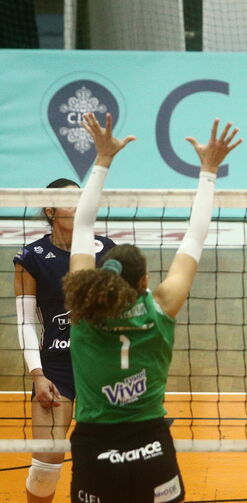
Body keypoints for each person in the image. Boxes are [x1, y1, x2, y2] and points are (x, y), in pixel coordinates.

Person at [63, 112, 241, 502]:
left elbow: (81, 226)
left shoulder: (82, 308)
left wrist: (103, 159)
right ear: (144, 281)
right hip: (150, 443)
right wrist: (209, 170)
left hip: (96, 445)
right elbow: (195, 235)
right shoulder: (161, 306)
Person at [13, 179, 116, 503]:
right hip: (56, 369)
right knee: (46, 464)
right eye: (69, 200)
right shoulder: (32, 257)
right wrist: (37, 374)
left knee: (111, 463)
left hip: (100, 369)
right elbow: (26, 320)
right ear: (50, 209)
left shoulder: (107, 250)